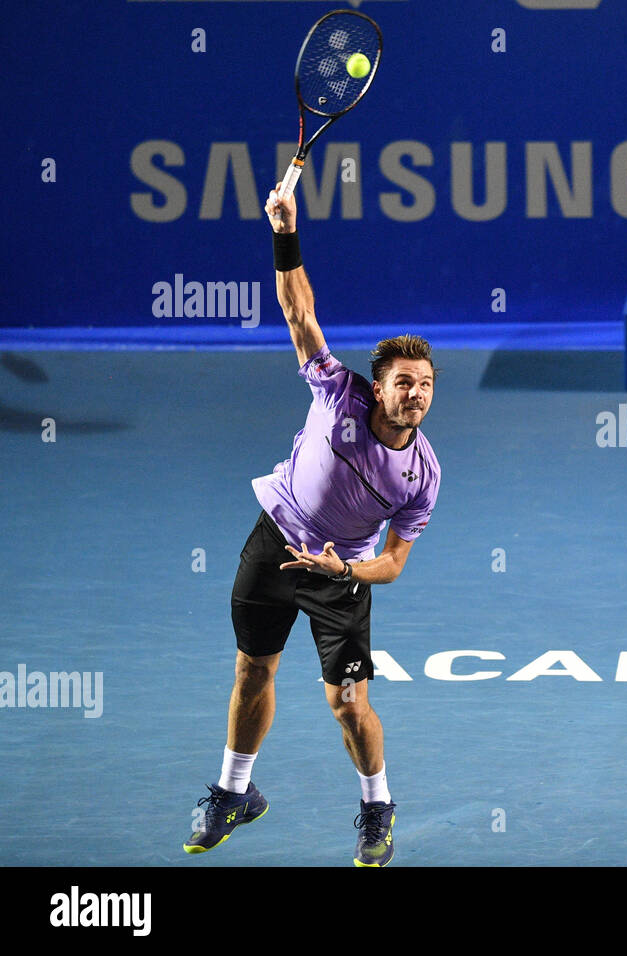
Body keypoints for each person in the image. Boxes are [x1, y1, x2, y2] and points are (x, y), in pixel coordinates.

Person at [183, 183, 440, 867]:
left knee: (348, 703)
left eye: (426, 384)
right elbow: (299, 309)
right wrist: (285, 231)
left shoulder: (423, 476)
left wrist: (344, 571)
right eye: (405, 382)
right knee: (250, 670)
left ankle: (376, 808)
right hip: (275, 540)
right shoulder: (335, 390)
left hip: (339, 573)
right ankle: (235, 791)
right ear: (378, 386)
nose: (416, 393)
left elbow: (393, 564)